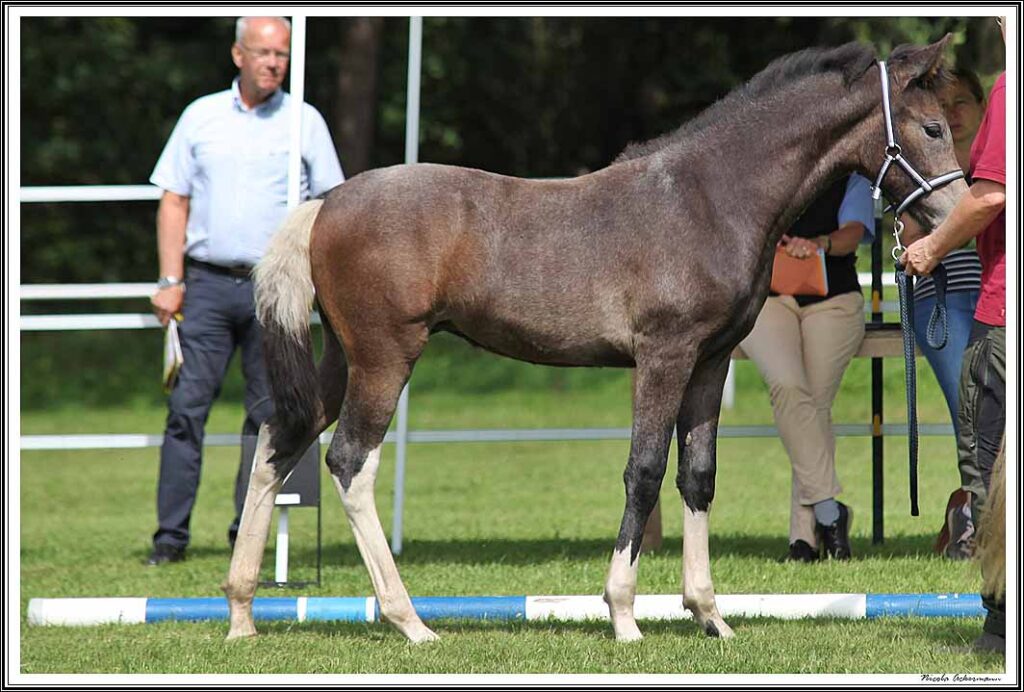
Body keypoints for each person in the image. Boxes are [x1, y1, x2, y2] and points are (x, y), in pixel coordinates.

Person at [147, 16, 345, 565]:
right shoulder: (200, 117)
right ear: (238, 55)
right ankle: (171, 538)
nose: (273, 62)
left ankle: (247, 533)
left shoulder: (304, 122)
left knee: (271, 410)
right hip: (206, 284)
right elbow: (173, 200)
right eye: (263, 52)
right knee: (187, 409)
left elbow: (333, 207)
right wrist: (169, 281)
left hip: (277, 288)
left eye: (281, 53)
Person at [900, 22, 1005, 653]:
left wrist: (933, 248)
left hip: (1002, 307)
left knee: (989, 462)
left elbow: (991, 196)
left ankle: (1000, 622)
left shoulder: (1011, 89)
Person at [740, 174, 875, 562]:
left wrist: (819, 244)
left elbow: (854, 233)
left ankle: (802, 540)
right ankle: (830, 513)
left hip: (834, 301)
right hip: (768, 298)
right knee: (788, 388)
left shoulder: (851, 177)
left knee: (812, 407)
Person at [908, 68, 986, 560]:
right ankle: (975, 519)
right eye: (942, 106)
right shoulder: (925, 169)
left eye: (962, 102)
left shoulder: (1001, 161)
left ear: (983, 107)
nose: (953, 114)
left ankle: (969, 507)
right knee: (972, 409)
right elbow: (910, 235)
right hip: (943, 300)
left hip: (996, 296)